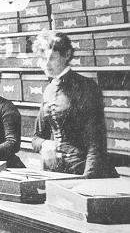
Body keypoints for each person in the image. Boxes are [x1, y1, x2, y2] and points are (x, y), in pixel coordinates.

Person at [31, 31, 117, 178]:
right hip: (56, 170)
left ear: (67, 55)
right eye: (42, 58)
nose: (46, 64)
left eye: (52, 58)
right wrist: (45, 144)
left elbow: (96, 144)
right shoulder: (49, 90)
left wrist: (87, 181)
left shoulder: (86, 87)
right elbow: (36, 138)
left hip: (86, 169)